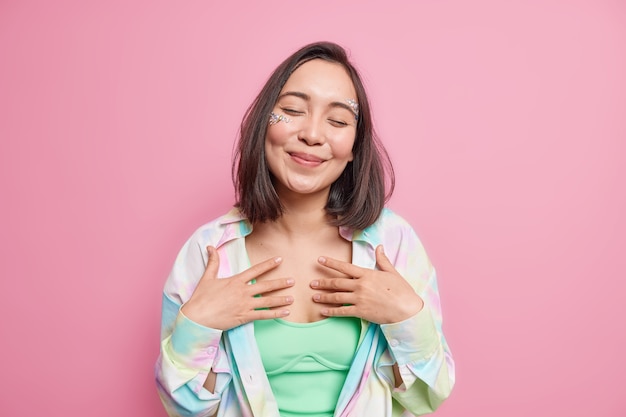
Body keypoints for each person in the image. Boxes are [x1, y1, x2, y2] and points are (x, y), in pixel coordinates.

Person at [155, 41, 454, 417]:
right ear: (263, 122)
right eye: (293, 110)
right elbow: (186, 410)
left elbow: (428, 396)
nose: (313, 134)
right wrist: (197, 326)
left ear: (355, 147)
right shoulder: (210, 250)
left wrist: (406, 314)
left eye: (339, 121)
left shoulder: (393, 244)